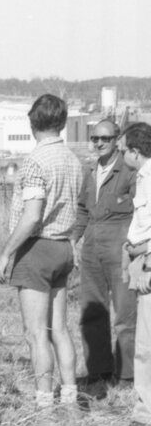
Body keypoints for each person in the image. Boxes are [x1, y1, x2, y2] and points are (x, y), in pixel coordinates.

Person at [0, 94, 83, 410]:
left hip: (38, 249)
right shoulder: (72, 160)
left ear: (32, 124)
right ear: (62, 122)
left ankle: (44, 402)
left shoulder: (34, 162)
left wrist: (6, 254)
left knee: (35, 333)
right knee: (58, 328)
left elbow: (32, 215)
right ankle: (70, 396)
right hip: (63, 248)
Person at [71, 119, 138, 390]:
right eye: (95, 138)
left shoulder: (130, 170)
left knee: (125, 314)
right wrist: (73, 240)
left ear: (117, 139)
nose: (99, 143)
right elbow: (83, 210)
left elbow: (140, 207)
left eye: (105, 139)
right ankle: (98, 371)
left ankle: (126, 376)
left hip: (120, 246)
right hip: (91, 247)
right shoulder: (90, 170)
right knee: (93, 310)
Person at [120, 122, 151, 426]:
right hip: (140, 256)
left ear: (135, 151)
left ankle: (147, 409)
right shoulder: (143, 177)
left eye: (123, 148)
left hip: (149, 262)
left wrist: (148, 265)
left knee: (146, 342)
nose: (120, 153)